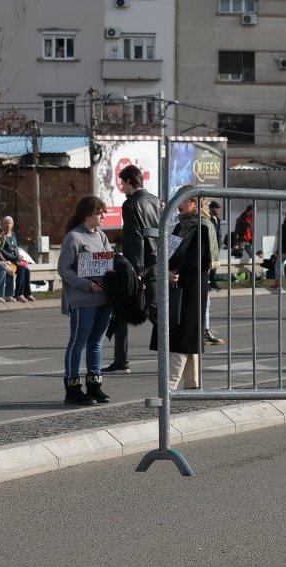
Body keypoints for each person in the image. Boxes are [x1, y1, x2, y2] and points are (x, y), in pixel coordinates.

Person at [151, 192, 218, 390]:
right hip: (178, 283)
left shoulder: (203, 226)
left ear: (194, 202)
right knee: (186, 331)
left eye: (182, 200)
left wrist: (176, 270)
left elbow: (198, 259)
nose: (178, 205)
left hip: (193, 284)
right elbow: (169, 251)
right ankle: (192, 382)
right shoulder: (182, 225)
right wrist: (166, 269)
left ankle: (169, 385)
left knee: (184, 331)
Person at [58, 196, 114, 406]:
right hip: (83, 299)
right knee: (78, 341)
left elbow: (110, 262)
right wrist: (86, 284)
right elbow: (64, 269)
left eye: (103, 212)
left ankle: (94, 384)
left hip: (104, 297)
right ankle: (72, 388)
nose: (103, 216)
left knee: (96, 342)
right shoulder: (73, 238)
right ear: (87, 214)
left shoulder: (101, 236)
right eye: (99, 212)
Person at [105, 164, 160, 374]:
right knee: (154, 312)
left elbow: (134, 237)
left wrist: (135, 270)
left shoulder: (130, 205)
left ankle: (121, 361)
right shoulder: (156, 201)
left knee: (124, 310)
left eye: (122, 183)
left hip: (139, 266)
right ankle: (173, 354)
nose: (121, 188)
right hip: (156, 263)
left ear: (129, 181)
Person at [0, 216, 34, 302]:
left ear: (12, 225)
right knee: (21, 269)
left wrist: (18, 256)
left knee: (27, 270)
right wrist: (15, 257)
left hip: (15, 259)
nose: (8, 225)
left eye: (9, 223)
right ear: (2, 224)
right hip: (7, 260)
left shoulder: (12, 234)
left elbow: (16, 247)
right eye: (6, 223)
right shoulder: (1, 235)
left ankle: (27, 293)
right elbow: (1, 250)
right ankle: (18, 294)